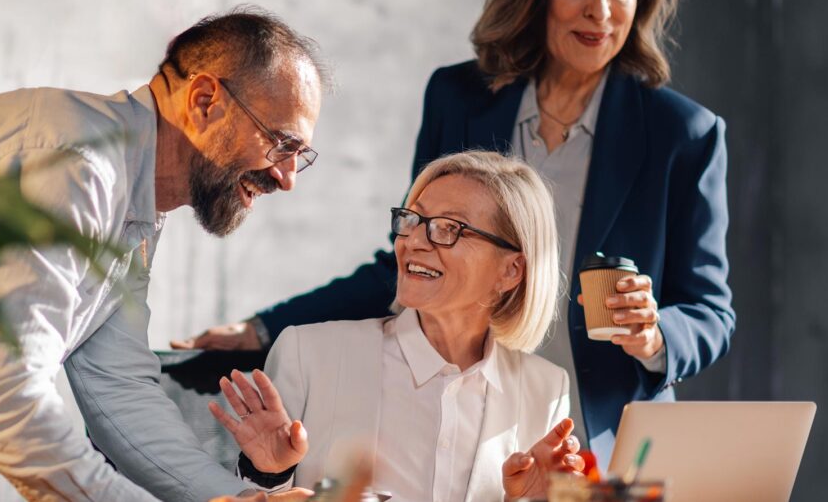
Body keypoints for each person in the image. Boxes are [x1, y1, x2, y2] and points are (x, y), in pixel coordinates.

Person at [174, 0, 736, 467]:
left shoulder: (683, 134)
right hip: (470, 428)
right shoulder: (460, 98)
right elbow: (413, 254)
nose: (601, 11)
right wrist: (263, 328)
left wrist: (652, 337)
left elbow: (710, 312)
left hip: (610, 441)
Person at [0, 8, 332, 500]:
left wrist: (240, 498)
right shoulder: (80, 167)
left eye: (300, 157)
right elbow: (4, 394)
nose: (286, 178)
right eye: (280, 143)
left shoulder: (129, 189)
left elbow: (117, 386)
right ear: (206, 100)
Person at [210, 151, 585, 500]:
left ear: (511, 270)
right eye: (413, 220)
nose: (414, 242)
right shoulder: (308, 355)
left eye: (448, 228)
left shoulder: (547, 389)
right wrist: (270, 473)